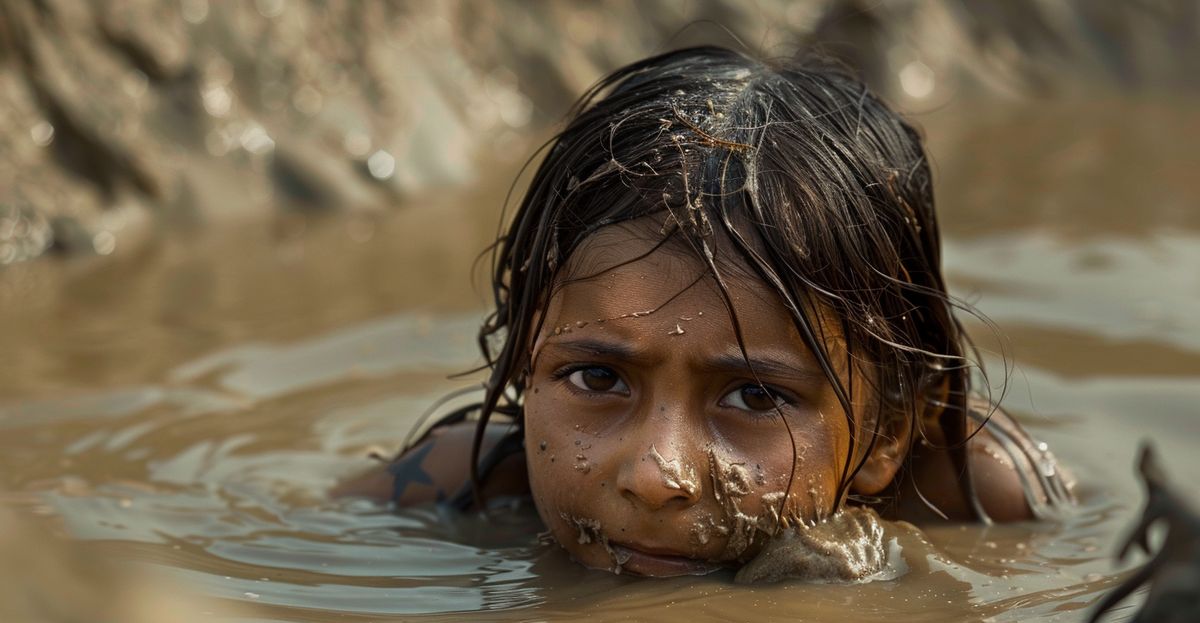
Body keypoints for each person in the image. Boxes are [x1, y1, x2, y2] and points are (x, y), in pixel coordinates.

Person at [336, 46, 1073, 577]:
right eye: (597, 377)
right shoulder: (459, 482)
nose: (659, 475)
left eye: (754, 395)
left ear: (886, 434)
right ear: (531, 358)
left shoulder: (984, 501)